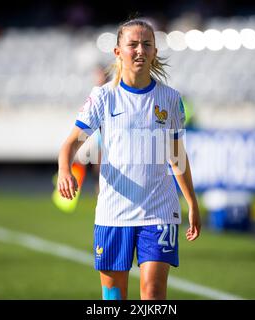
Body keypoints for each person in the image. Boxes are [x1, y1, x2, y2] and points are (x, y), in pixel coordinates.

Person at [57, 18, 201, 300]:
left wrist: (192, 201)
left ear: (155, 51)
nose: (139, 50)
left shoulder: (170, 99)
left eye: (146, 44)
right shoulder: (103, 97)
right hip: (114, 212)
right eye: (132, 44)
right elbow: (71, 143)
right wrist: (65, 170)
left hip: (159, 211)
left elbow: (176, 156)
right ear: (118, 51)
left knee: (154, 293)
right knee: (113, 297)